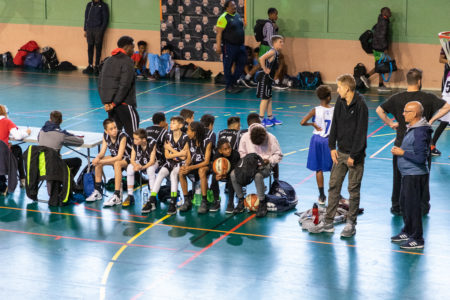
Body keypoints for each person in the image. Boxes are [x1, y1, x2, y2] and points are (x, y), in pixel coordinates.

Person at [376, 68, 450, 215]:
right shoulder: (428, 97)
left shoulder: (397, 98)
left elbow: (379, 110)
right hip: (421, 146)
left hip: (401, 144)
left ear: (407, 81)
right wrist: (432, 120)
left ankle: (397, 206)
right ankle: (422, 207)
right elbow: (447, 106)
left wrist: (390, 123)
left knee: (399, 177)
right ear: (420, 81)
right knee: (422, 177)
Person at [310, 75, 368, 237]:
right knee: (333, 186)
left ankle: (351, 224)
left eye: (340, 87)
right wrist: (331, 147)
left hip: (354, 156)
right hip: (339, 153)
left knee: (353, 189)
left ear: (347, 88)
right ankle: (328, 223)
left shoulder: (361, 106)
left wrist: (354, 155)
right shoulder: (340, 103)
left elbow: (361, 133)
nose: (337, 90)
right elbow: (334, 125)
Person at [390, 101, 431, 249]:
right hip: (407, 174)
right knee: (405, 204)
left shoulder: (420, 132)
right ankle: (407, 231)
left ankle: (417, 238)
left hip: (415, 175)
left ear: (414, 114)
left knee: (413, 207)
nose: (403, 114)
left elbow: (421, 158)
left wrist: (402, 152)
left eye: (406, 111)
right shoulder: (414, 127)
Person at [231, 123, 283, 217]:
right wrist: (249, 162)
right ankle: (241, 200)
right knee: (233, 174)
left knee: (258, 176)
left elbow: (278, 155)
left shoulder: (271, 138)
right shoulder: (245, 137)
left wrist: (269, 160)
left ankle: (262, 203)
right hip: (249, 165)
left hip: (265, 165)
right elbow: (241, 153)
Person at [143, 116, 189, 214]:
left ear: (180, 125)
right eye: (171, 122)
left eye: (174, 123)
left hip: (180, 164)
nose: (171, 124)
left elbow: (184, 157)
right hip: (169, 162)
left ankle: (173, 202)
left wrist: (172, 150)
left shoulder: (185, 137)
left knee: (173, 176)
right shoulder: (168, 136)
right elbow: (167, 156)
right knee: (160, 174)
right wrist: (179, 153)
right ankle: (151, 200)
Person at [98, 36, 139, 138]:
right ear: (127, 47)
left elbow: (101, 83)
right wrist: (115, 102)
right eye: (132, 48)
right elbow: (125, 85)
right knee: (135, 136)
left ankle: (117, 154)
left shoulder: (107, 60)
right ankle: (134, 154)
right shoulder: (127, 61)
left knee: (115, 136)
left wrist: (107, 103)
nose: (133, 51)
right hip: (125, 103)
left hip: (111, 106)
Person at [86, 119, 132, 207]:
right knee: (99, 163)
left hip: (129, 159)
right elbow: (102, 152)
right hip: (116, 158)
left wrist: (101, 160)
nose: (114, 130)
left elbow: (119, 157)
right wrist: (97, 158)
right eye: (111, 129)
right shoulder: (105, 136)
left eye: (115, 127)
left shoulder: (122, 136)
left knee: (117, 163)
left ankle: (117, 195)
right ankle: (98, 191)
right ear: (106, 131)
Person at [300, 85, 334, 205]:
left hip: (316, 140)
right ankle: (336, 194)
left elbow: (302, 122)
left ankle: (322, 195)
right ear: (329, 97)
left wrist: (312, 125)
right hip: (329, 141)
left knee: (318, 169)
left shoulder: (315, 110)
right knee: (333, 168)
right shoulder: (334, 110)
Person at [37, 111, 84, 191]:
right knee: (77, 161)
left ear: (50, 119)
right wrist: (69, 135)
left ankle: (64, 183)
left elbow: (39, 139)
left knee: (58, 161)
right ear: (61, 121)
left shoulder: (41, 131)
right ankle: (69, 184)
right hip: (54, 167)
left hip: (40, 165)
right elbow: (80, 141)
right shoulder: (61, 134)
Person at [179, 121, 214, 213]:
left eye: (189, 130)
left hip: (207, 166)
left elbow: (206, 161)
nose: (187, 132)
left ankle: (204, 201)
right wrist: (186, 166)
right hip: (194, 165)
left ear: (194, 132)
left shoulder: (207, 141)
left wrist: (190, 168)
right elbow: (189, 158)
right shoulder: (188, 140)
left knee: (201, 171)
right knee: (181, 171)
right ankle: (187, 200)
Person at [216, 0, 246, 94]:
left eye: (234, 5)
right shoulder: (223, 18)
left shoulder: (237, 15)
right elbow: (219, 33)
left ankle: (232, 82)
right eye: (232, 5)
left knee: (242, 63)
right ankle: (229, 86)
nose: (235, 6)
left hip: (240, 46)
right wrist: (218, 46)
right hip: (229, 46)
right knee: (228, 66)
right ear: (227, 8)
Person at [361, 7, 392, 93]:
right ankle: (377, 84)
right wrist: (385, 48)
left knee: (380, 65)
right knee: (381, 66)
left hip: (377, 47)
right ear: (384, 13)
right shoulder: (383, 23)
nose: (390, 12)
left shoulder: (381, 20)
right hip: (379, 48)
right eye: (388, 11)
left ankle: (371, 80)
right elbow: (381, 37)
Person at [0, 104, 30, 191]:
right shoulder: (7, 122)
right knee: (18, 149)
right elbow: (18, 136)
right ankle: (22, 178)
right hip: (4, 156)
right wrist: (27, 132)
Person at [124, 129, 156, 207]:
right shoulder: (135, 144)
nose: (134, 140)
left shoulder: (152, 142)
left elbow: (152, 161)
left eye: (136, 139)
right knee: (129, 169)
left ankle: (153, 197)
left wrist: (142, 167)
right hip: (140, 162)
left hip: (153, 163)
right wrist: (136, 165)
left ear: (144, 139)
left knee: (150, 170)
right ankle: (130, 195)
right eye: (134, 138)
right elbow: (132, 159)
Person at [257, 35, 284, 127]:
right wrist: (264, 68)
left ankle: (270, 117)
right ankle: (260, 119)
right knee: (265, 98)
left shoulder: (276, 52)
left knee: (269, 98)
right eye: (280, 42)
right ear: (275, 43)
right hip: (265, 78)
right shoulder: (272, 51)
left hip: (269, 79)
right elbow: (261, 58)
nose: (282, 43)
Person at [210, 138, 240, 213]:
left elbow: (236, 170)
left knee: (231, 178)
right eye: (225, 149)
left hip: (233, 174)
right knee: (214, 178)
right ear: (220, 151)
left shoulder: (235, 154)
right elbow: (214, 167)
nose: (228, 150)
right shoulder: (217, 155)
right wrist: (216, 174)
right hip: (222, 173)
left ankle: (230, 202)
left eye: (229, 147)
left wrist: (225, 175)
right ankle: (216, 201)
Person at [430, 49, 450, 156]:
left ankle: (432, 145)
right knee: (443, 122)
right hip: (447, 97)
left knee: (444, 122)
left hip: (446, 98)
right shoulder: (446, 45)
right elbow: (441, 59)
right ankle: (431, 145)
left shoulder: (448, 76)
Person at [83, 0, 109, 75]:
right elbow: (86, 18)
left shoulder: (103, 5)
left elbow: (105, 20)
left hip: (98, 29)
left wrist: (101, 31)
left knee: (98, 48)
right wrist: (85, 29)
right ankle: (90, 65)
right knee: (90, 47)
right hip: (89, 29)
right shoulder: (89, 5)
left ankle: (97, 66)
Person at [145, 112, 168, 191]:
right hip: (157, 160)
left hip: (143, 158)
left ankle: (152, 182)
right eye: (165, 120)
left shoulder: (146, 129)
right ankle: (169, 186)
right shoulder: (163, 132)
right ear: (161, 122)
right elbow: (166, 147)